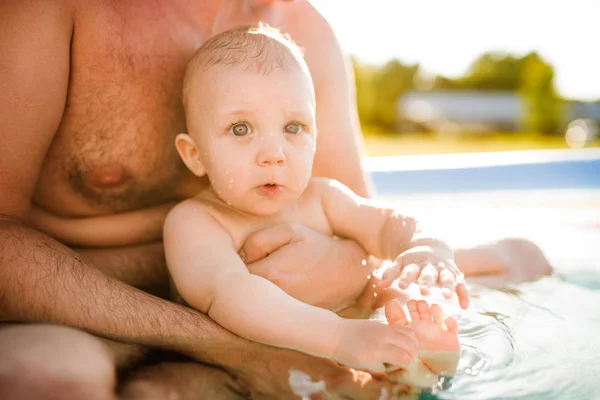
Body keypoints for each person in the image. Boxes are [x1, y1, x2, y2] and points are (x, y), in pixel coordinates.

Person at [0, 0, 552, 399]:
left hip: (309, 318)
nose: (273, 154)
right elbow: (230, 292)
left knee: (505, 266)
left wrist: (422, 252)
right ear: (195, 155)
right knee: (54, 379)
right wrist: (313, 338)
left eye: (294, 128)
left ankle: (429, 360)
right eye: (240, 131)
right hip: (88, 312)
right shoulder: (57, 11)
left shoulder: (304, 30)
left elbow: (379, 224)